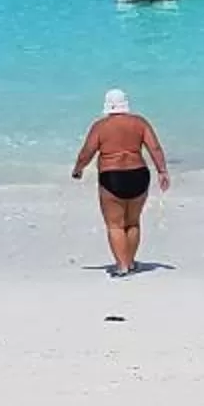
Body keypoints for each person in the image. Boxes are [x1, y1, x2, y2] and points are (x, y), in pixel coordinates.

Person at [71, 88, 169, 276]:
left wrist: (78, 169)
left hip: (112, 176)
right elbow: (154, 148)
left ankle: (122, 266)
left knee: (115, 224)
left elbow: (87, 152)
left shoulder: (100, 126)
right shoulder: (140, 123)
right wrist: (162, 171)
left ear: (107, 106)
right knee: (133, 222)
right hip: (139, 174)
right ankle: (130, 262)